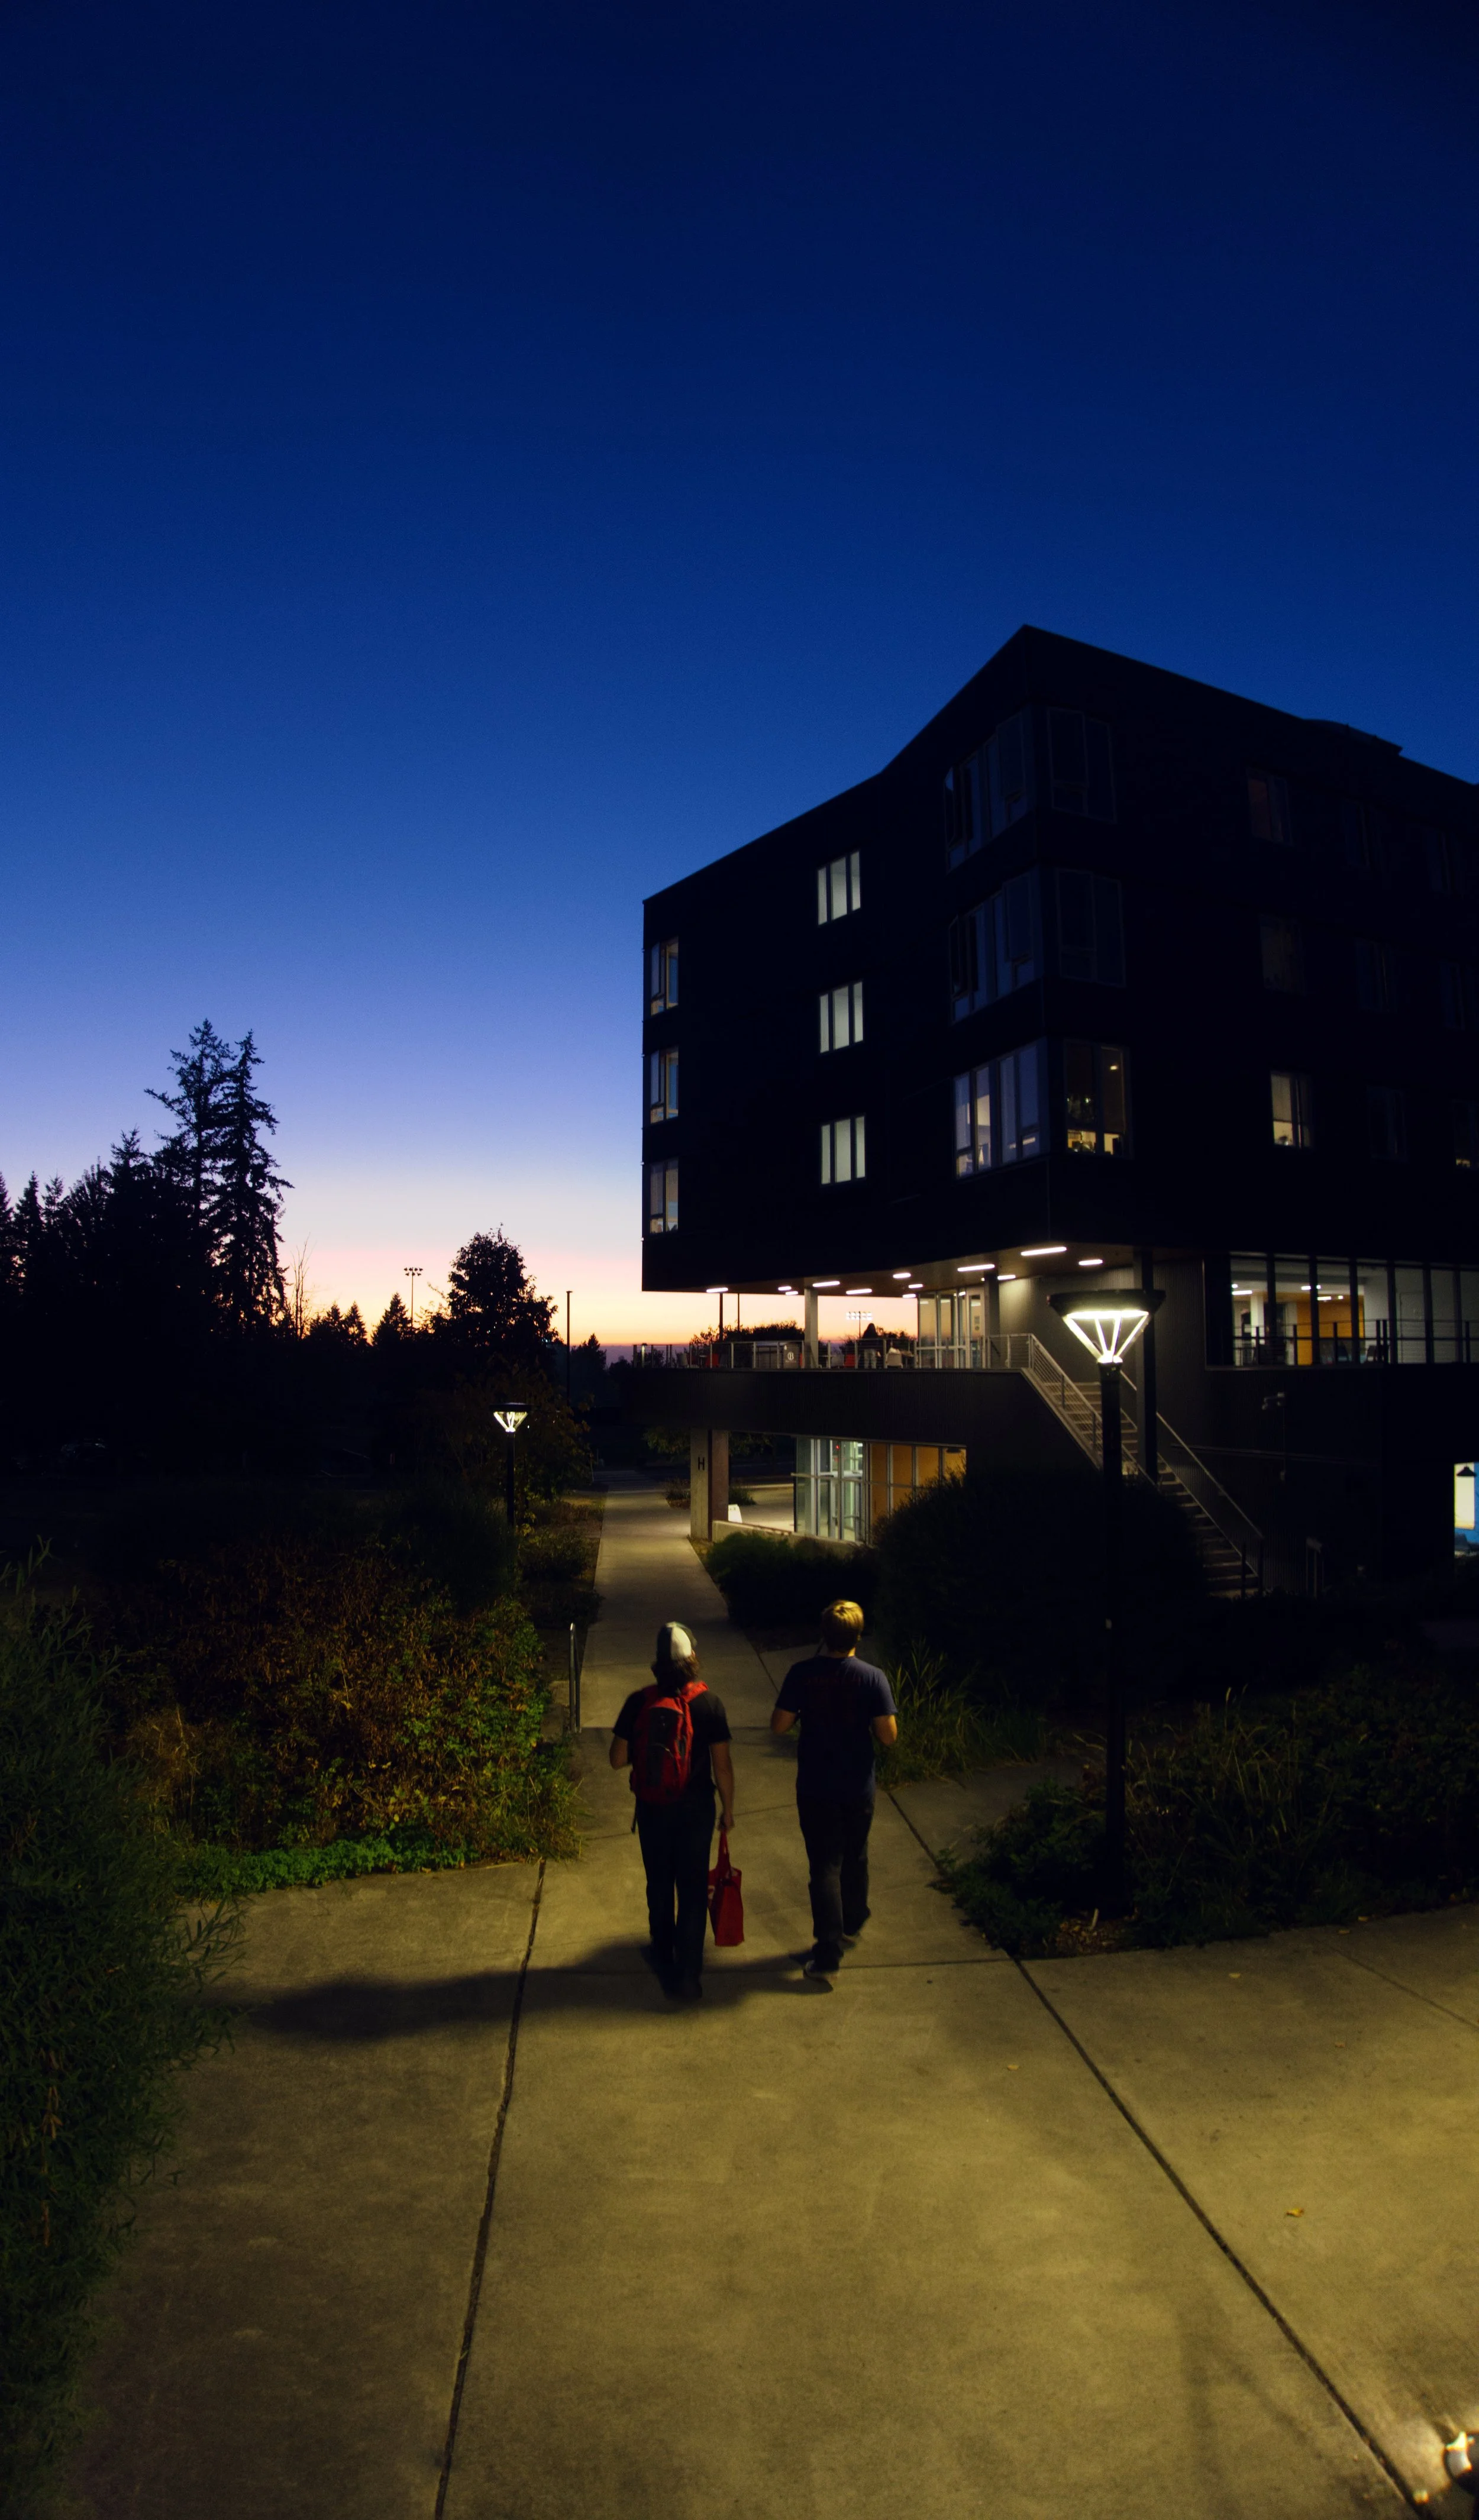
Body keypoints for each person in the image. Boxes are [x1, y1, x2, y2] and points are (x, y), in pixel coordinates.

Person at [770, 1598, 897, 1985]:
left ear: (823, 1635)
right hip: (857, 1784)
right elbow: (888, 1736)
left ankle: (826, 1951)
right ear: (858, 1635)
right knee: (856, 1853)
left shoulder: (802, 1674)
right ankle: (853, 1919)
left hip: (816, 1784)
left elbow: (779, 1725)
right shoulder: (872, 1678)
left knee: (824, 1864)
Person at [611, 1622, 735, 2001]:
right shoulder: (709, 1704)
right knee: (693, 1890)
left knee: (659, 1883)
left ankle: (663, 1953)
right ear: (692, 1659)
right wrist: (728, 1810)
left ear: (658, 1664)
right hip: (696, 1810)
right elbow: (723, 1766)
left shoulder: (639, 1701)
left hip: (653, 1809)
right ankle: (688, 1975)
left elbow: (617, 1759)